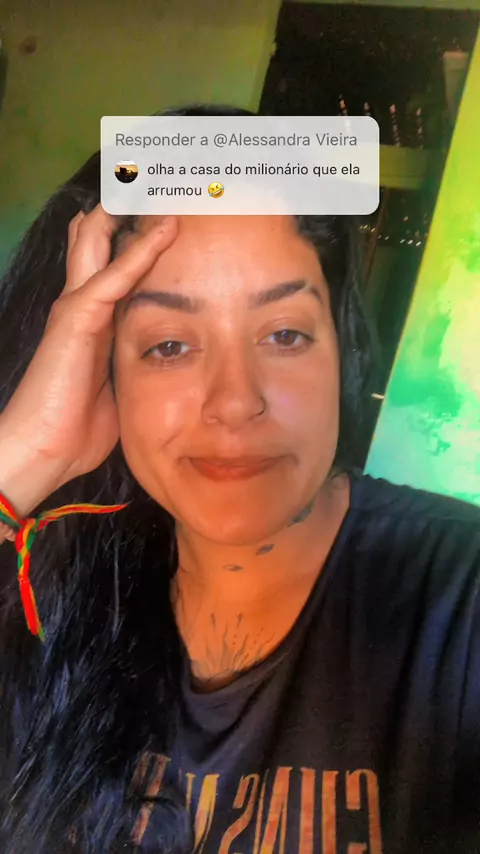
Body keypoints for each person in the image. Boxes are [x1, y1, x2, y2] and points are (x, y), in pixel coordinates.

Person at [0, 104, 479, 854]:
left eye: (285, 334)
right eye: (168, 345)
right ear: (100, 370)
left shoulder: (458, 595)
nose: (235, 401)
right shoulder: (52, 590)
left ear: (342, 348)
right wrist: (24, 455)